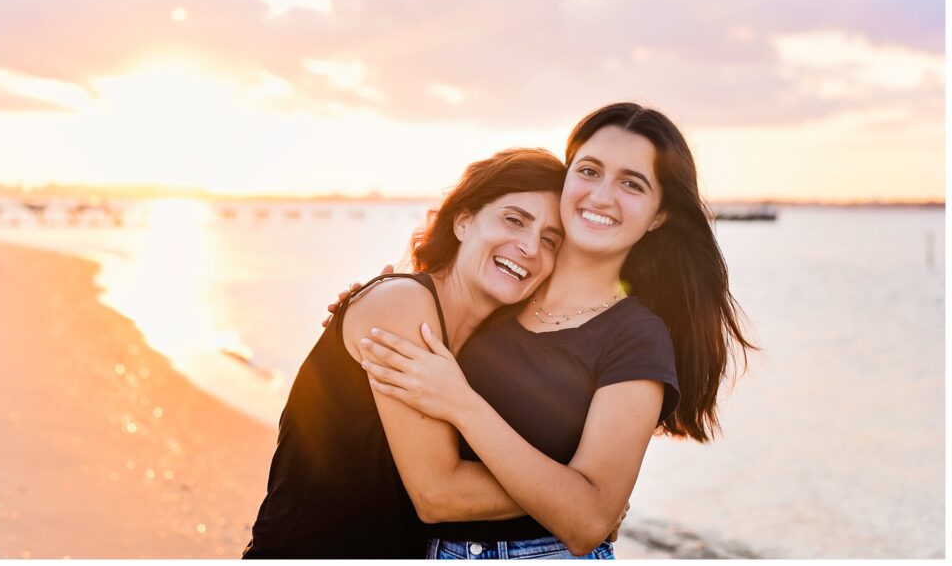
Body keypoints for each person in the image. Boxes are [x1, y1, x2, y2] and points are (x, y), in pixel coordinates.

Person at [357, 102, 754, 559]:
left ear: (659, 215)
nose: (602, 196)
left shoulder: (636, 336)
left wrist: (463, 404)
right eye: (589, 170)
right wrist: (361, 312)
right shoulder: (504, 291)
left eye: (631, 183)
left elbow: (586, 526)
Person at [242, 147, 576, 558]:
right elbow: (439, 495)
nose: (529, 246)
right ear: (463, 221)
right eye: (513, 219)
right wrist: (577, 501)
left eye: (549, 239)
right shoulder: (402, 305)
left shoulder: (489, 348)